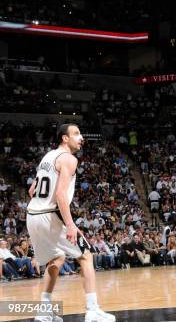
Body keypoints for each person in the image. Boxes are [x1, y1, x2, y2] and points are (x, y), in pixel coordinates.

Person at [26, 123, 115, 322]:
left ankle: (44, 311)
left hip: (32, 214)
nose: (81, 137)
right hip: (50, 215)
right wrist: (71, 224)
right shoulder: (69, 159)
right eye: (76, 134)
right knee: (85, 256)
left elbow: (32, 191)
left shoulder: (47, 157)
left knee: (56, 259)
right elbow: (59, 194)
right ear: (65, 138)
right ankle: (92, 310)